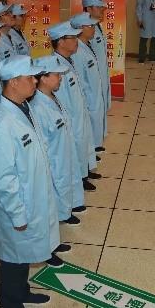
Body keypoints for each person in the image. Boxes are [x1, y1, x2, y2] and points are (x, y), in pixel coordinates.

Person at [0, 56, 58, 306]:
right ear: (14, 82)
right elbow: (4, 179)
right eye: (30, 77)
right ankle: (10, 301)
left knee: (23, 253)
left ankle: (22, 292)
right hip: (16, 205)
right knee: (13, 257)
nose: (35, 81)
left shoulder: (23, 107)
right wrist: (17, 214)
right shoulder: (0, 125)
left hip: (30, 197)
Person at [30, 55, 81, 231]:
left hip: (62, 154)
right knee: (55, 186)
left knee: (65, 182)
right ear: (43, 78)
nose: (60, 78)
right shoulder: (38, 107)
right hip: (53, 161)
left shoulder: (52, 97)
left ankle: (65, 211)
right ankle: (59, 216)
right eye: (57, 75)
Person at [50, 21, 95, 196]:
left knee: (81, 145)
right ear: (61, 42)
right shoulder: (56, 68)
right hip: (71, 121)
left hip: (78, 116)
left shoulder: (67, 60)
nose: (77, 41)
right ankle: (79, 180)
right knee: (73, 150)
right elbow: (62, 103)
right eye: (72, 38)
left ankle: (83, 174)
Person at [70, 13, 108, 160]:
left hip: (93, 93)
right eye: (90, 26)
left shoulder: (87, 44)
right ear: (80, 28)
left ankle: (93, 148)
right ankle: (89, 153)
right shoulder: (77, 51)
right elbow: (79, 78)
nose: (93, 28)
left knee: (94, 119)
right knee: (86, 124)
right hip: (87, 96)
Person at [83, 0, 111, 114]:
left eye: (102, 7)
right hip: (92, 81)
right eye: (98, 7)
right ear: (88, 9)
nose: (102, 10)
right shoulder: (84, 30)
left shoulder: (97, 25)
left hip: (101, 76)